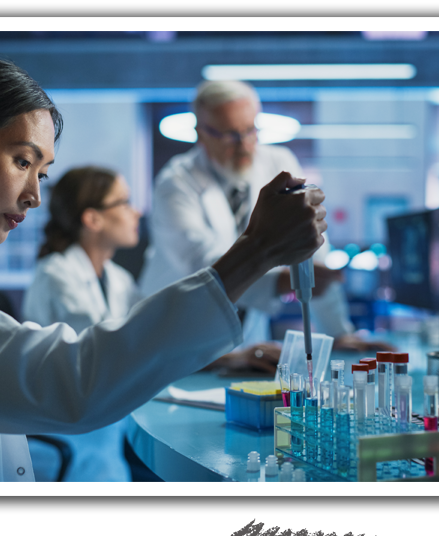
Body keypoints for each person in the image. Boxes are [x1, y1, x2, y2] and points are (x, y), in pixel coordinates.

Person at [0, 55, 327, 482]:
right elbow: (72, 380)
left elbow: (112, 348)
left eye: (42, 173)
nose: (34, 196)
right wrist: (256, 250)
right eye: (22, 161)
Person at [21, 166, 282, 481]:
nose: (136, 212)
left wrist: (236, 357)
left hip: (106, 433)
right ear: (93, 219)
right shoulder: (57, 276)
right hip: (73, 443)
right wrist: (232, 356)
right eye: (124, 202)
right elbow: (121, 353)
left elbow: (156, 336)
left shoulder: (117, 278)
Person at [138, 80, 395, 353]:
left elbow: (311, 246)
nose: (244, 145)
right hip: (179, 326)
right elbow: (202, 263)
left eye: (250, 130)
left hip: (245, 330)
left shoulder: (278, 164)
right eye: (230, 135)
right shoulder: (175, 183)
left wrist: (338, 333)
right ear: (201, 133)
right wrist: (279, 280)